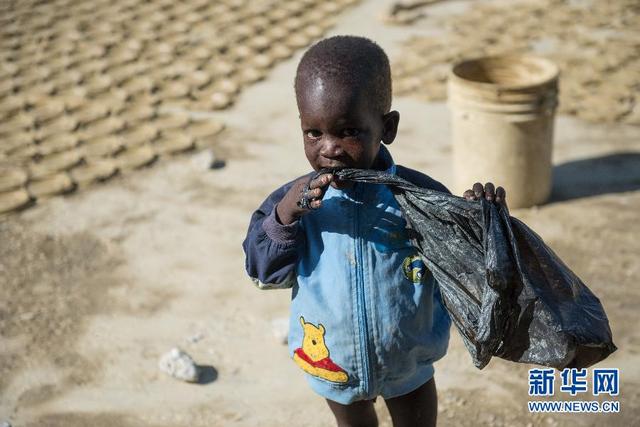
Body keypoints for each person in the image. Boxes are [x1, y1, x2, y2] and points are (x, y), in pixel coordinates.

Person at [242, 35, 505, 427]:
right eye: (313, 133)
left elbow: (471, 273)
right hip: (332, 363)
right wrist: (284, 217)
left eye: (348, 131)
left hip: (409, 364)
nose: (328, 148)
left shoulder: (420, 198)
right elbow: (263, 274)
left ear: (387, 127)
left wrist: (482, 222)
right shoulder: (295, 203)